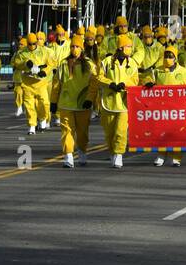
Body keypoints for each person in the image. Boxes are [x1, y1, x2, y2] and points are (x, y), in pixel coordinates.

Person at [98, 33, 141, 167]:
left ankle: (118, 154)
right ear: (121, 47)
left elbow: (135, 80)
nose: (130, 48)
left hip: (124, 102)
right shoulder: (107, 62)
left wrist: (125, 85)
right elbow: (99, 77)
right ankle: (112, 152)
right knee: (109, 132)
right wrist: (110, 84)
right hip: (109, 102)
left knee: (121, 131)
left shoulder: (132, 63)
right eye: (128, 46)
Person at [53, 34, 95, 168]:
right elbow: (56, 84)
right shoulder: (64, 64)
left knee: (82, 133)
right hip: (66, 104)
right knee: (67, 131)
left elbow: (94, 83)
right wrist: (53, 101)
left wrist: (90, 99)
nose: (74, 49)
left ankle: (82, 152)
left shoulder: (89, 64)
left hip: (83, 105)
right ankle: (68, 156)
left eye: (77, 47)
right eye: (72, 46)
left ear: (82, 48)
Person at [152, 47, 186, 168]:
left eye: (170, 56)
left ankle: (176, 157)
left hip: (178, 109)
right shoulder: (157, 71)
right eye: (166, 56)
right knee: (161, 132)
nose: (167, 59)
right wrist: (148, 83)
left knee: (177, 133)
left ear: (175, 58)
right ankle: (161, 155)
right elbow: (149, 80)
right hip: (162, 108)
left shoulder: (185, 72)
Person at [21, 32, 52, 135]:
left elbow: (51, 63)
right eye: (30, 44)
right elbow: (15, 62)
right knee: (29, 106)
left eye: (34, 43)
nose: (32, 46)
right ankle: (32, 126)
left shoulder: (44, 51)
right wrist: (25, 64)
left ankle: (43, 119)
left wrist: (45, 71)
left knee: (45, 103)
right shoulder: (22, 53)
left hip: (41, 83)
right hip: (27, 83)